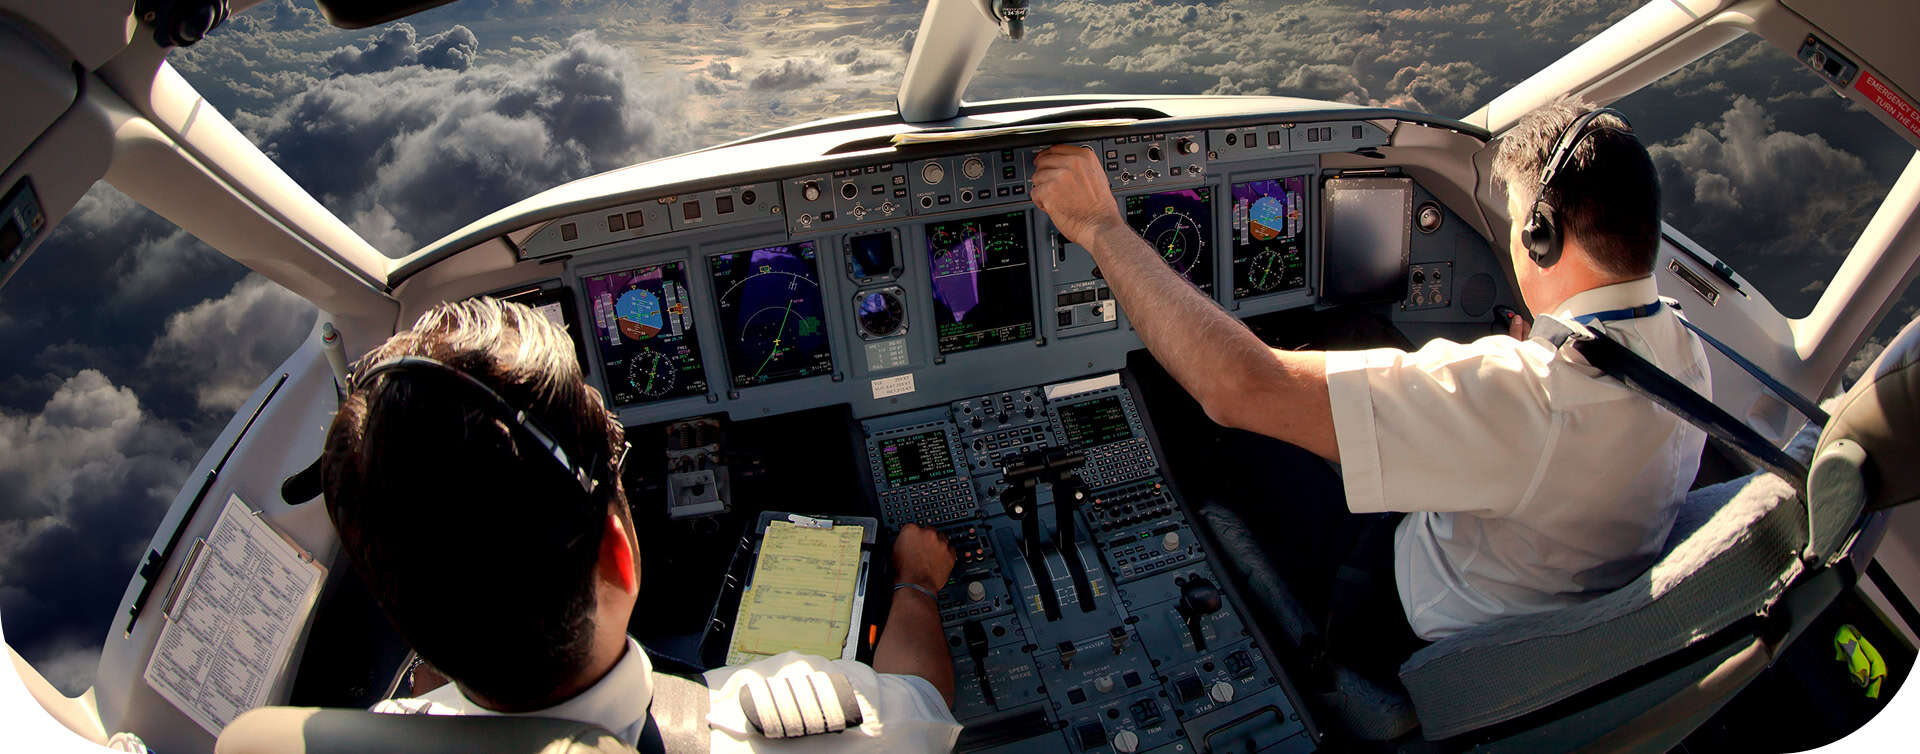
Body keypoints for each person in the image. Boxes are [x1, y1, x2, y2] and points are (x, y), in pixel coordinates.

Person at [1028, 99, 1710, 680]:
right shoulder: (1682, 353)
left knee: (1227, 437)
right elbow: (1559, 425)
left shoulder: (1525, 396)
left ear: (1542, 234)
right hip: (1550, 596)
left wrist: (1100, 226)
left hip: (1401, 618)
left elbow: (1236, 387)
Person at [321, 298, 963, 751]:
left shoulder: (382, 726)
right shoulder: (809, 728)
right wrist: (916, 585)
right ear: (620, 554)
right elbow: (923, 702)